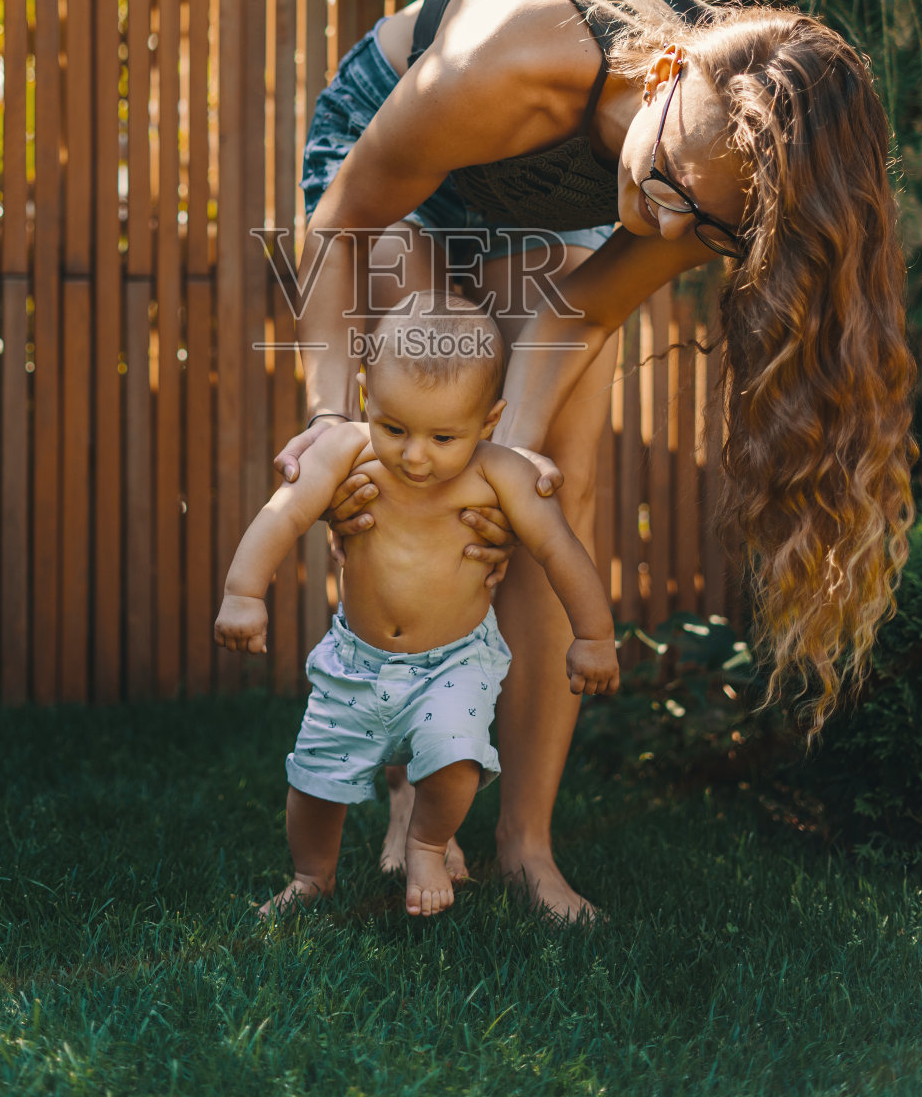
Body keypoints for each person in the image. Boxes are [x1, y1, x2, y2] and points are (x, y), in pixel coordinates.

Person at [274, 0, 916, 922]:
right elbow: (343, 225)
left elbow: (575, 310)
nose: (666, 235)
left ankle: (525, 845)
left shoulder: (710, 181)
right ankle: (404, 782)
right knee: (410, 467)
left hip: (560, 189)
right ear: (669, 75)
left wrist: (515, 452)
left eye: (704, 233)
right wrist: (326, 420)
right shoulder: (507, 63)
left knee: (545, 499)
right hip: (389, 166)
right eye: (675, 198)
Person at [214, 298, 619, 918]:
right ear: (364, 395)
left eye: (443, 437)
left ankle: (428, 841)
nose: (414, 456)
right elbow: (284, 513)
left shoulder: (503, 473)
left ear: (489, 423)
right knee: (314, 782)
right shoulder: (346, 448)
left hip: (455, 661)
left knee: (455, 759)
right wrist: (244, 593)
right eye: (394, 427)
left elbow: (560, 549)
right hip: (356, 659)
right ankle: (310, 876)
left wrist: (593, 636)